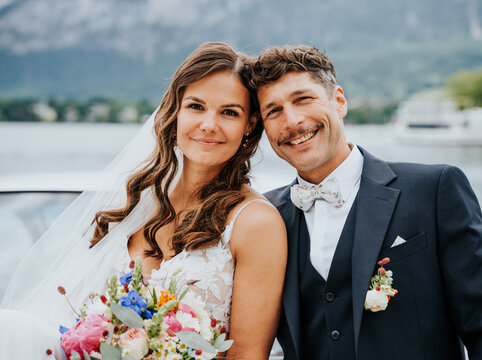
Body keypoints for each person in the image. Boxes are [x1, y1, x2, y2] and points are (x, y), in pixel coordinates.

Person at [0, 42, 287, 359]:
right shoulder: (136, 202)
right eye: (196, 106)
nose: (209, 124)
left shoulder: (256, 222)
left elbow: (247, 355)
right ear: (175, 110)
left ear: (249, 125)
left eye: (229, 112)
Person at [251, 45, 482, 360]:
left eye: (303, 99)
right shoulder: (264, 216)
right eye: (273, 111)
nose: (292, 120)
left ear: (338, 101)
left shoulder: (434, 190)